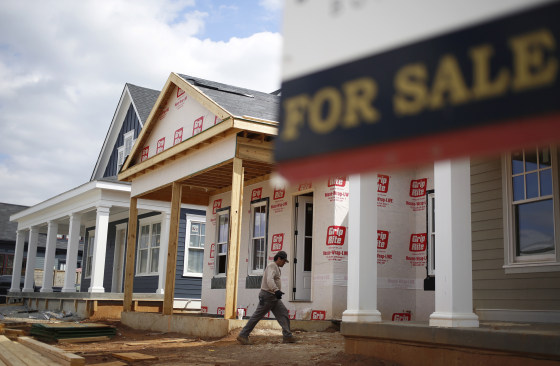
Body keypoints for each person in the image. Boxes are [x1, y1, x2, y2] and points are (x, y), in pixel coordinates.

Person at [237, 250, 297, 345]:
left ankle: (287, 336)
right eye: (284, 261)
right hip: (268, 296)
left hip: (273, 297)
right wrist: (276, 290)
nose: (284, 263)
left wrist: (277, 291)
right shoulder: (272, 265)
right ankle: (243, 335)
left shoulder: (275, 267)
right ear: (279, 258)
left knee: (283, 313)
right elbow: (269, 279)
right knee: (257, 316)